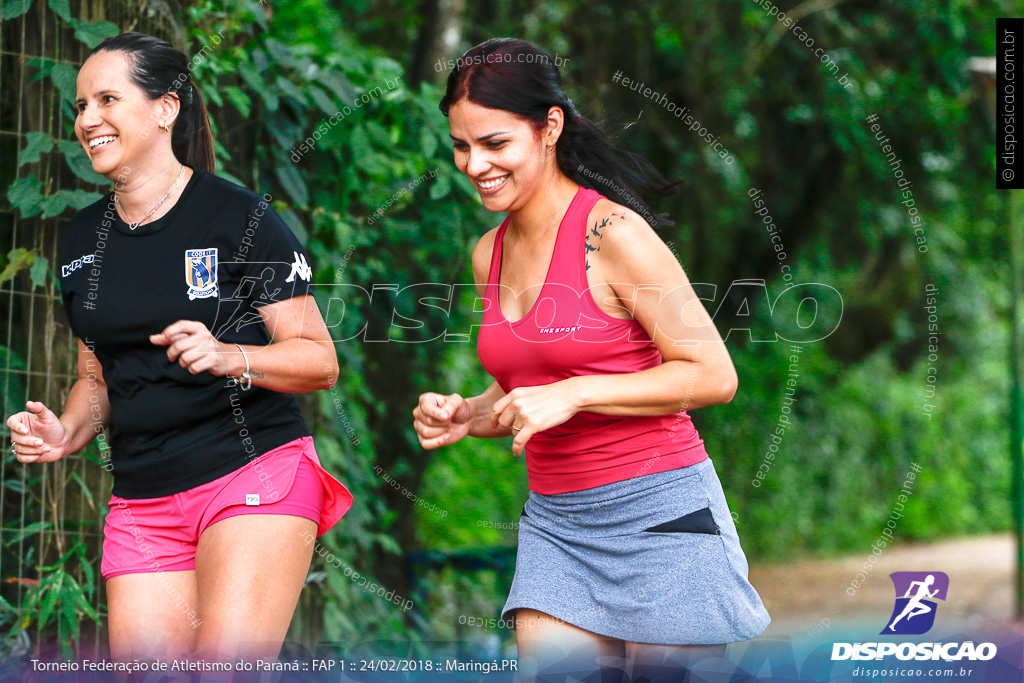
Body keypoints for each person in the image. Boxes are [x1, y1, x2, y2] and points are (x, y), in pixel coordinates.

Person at [413, 37, 770, 679]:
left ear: (549, 127)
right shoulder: (486, 253)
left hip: (664, 516)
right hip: (558, 526)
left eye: (495, 144)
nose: (474, 165)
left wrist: (577, 392)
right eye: (462, 147)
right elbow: (528, 392)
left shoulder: (613, 234)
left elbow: (713, 375)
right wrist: (468, 413)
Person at [5, 32, 353, 673]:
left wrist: (229, 356)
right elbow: (95, 377)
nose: (88, 120)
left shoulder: (238, 218)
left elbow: (318, 360)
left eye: (107, 99)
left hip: (252, 475)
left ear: (165, 108)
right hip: (142, 498)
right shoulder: (81, 238)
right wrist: (65, 429)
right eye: (80, 106)